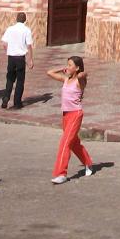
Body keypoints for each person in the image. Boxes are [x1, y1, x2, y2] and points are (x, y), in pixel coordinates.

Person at [46, 56, 93, 184]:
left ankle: (61, 174)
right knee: (73, 142)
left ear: (77, 68)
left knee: (65, 143)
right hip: (66, 115)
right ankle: (88, 162)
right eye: (67, 64)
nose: (68, 67)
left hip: (76, 114)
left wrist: (81, 73)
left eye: (70, 65)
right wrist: (62, 69)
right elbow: (49, 72)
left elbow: (84, 75)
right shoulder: (66, 79)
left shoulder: (79, 80)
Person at [1, 11, 34, 109]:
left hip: (11, 57)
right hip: (20, 58)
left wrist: (9, 51)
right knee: (20, 80)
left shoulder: (10, 29)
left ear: (16, 19)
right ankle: (17, 101)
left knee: (10, 79)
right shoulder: (26, 30)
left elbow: (4, 43)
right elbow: (29, 45)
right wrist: (30, 59)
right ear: (25, 20)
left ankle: (6, 97)